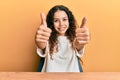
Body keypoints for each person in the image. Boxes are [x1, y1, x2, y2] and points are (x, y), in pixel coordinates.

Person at [35, 5, 90, 72]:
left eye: (64, 19)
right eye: (56, 20)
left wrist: (81, 42)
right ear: (51, 23)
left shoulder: (75, 38)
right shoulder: (47, 37)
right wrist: (40, 40)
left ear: (69, 21)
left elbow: (78, 46)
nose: (61, 24)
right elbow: (42, 46)